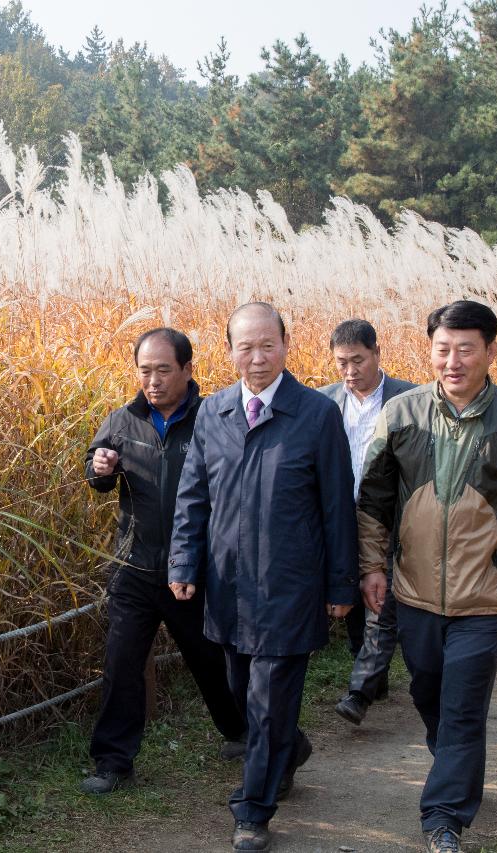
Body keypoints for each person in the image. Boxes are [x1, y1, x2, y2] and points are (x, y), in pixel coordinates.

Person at [358, 300, 497, 853]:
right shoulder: (401, 414)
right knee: (429, 693)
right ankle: (454, 760)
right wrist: (372, 566)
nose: (453, 361)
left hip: (487, 596)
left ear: (491, 352)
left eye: (465, 349)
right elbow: (373, 499)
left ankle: (444, 817)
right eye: (442, 349)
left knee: (464, 703)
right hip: (414, 589)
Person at [169, 302, 358, 853]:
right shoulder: (215, 412)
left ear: (287, 344)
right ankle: (289, 748)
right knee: (240, 693)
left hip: (289, 587)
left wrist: (341, 586)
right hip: (228, 586)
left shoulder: (316, 415)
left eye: (267, 345)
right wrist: (184, 561)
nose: (257, 358)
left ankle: (252, 810)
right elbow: (193, 495)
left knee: (269, 701)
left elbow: (336, 509)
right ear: (228, 352)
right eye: (245, 347)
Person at [80, 328, 247, 795]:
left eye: (163, 371)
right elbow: (95, 471)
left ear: (188, 370)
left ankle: (246, 732)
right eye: (144, 371)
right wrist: (99, 467)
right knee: (121, 663)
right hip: (133, 566)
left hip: (192, 568)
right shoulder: (122, 419)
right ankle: (113, 763)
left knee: (211, 659)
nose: (152, 381)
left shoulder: (214, 417)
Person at [318, 319, 416, 726]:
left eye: (358, 360)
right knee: (355, 602)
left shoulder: (409, 398)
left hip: (390, 519)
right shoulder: (323, 403)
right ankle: (372, 677)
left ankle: (359, 691)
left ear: (377, 353)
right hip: (341, 518)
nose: (350, 371)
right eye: (342, 362)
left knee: (382, 600)